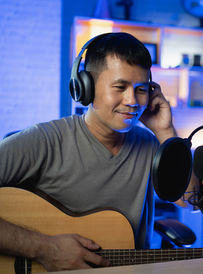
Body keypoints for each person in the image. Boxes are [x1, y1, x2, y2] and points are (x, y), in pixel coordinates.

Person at [0, 32, 192, 271]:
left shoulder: (151, 145)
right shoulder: (44, 141)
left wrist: (165, 131)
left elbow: (189, 200)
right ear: (86, 88)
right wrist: (44, 248)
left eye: (141, 89)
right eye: (120, 87)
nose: (132, 100)